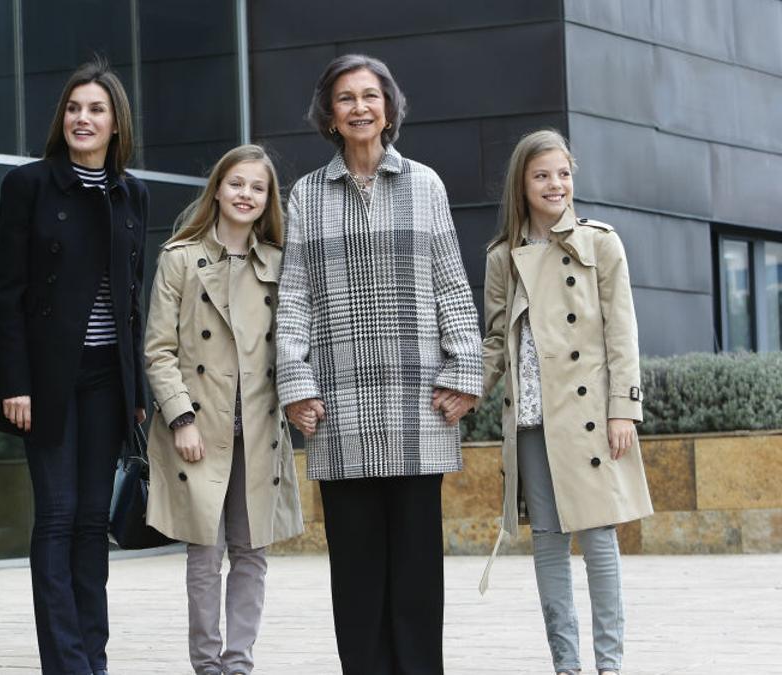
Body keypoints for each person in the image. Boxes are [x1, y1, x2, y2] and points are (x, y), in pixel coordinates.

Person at [274, 54, 482, 675]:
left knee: (418, 575)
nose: (360, 107)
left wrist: (465, 371)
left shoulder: (426, 184)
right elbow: (293, 297)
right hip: (340, 409)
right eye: (346, 98)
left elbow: (452, 284)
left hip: (419, 407)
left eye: (371, 95)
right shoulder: (308, 194)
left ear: (388, 107)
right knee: (357, 577)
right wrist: (295, 381)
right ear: (330, 115)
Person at [0, 61, 148, 675]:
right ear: (62, 119)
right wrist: (14, 381)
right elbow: (6, 292)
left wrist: (138, 391)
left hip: (108, 379)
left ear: (115, 123)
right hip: (45, 379)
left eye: (96, 109)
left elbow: (133, 300)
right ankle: (67, 665)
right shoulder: (29, 186)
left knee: (93, 520)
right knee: (57, 515)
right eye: (74, 107)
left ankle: (91, 659)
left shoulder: (132, 194)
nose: (83, 118)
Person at [479, 129, 653, 675]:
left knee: (600, 541)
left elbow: (622, 332)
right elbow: (494, 340)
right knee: (549, 547)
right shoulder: (503, 256)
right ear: (522, 184)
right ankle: (566, 666)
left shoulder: (601, 243)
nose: (556, 184)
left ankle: (609, 665)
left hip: (587, 417)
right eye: (542, 175)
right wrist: (460, 393)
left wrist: (623, 408)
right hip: (530, 419)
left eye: (563, 173)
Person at [143, 145, 304, 675]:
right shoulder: (180, 258)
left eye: (257, 187)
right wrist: (180, 418)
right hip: (199, 427)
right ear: (218, 188)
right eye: (237, 183)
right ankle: (207, 665)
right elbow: (158, 350)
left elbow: (296, 343)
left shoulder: (280, 264)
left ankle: (239, 664)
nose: (246, 195)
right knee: (205, 555)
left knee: (252, 553)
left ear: (268, 199)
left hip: (259, 429)